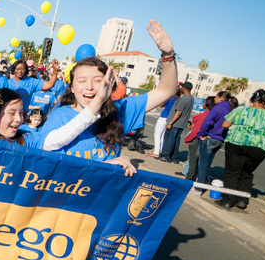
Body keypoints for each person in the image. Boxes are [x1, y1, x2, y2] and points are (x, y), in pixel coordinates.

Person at [27, 20, 179, 176]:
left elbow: (166, 90)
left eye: (97, 80)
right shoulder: (60, 116)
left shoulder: (120, 110)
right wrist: (103, 166)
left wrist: (168, 55)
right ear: (72, 88)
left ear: (109, 84)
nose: (90, 86)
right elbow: (46, 161)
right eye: (82, 81)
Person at [216, 89, 265, 210]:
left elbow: (225, 125)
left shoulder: (240, 109)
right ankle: (242, 200)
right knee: (247, 173)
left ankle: (227, 200)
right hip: (259, 147)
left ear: (252, 99)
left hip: (236, 142)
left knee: (232, 172)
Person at [192, 91, 234, 193]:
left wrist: (202, 134)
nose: (214, 99)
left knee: (203, 164)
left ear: (221, 98)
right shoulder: (230, 109)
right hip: (220, 139)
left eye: (216, 97)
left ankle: (198, 188)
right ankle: (205, 182)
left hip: (210, 137)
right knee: (208, 163)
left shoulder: (218, 108)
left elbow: (208, 121)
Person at [183, 96, 215, 186]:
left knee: (193, 161)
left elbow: (197, 130)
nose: (203, 103)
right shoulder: (212, 114)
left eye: (204, 102)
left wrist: (188, 138)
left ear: (208, 103)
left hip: (196, 139)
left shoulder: (206, 114)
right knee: (201, 162)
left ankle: (188, 180)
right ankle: (198, 179)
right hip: (205, 140)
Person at [159, 82, 194, 164]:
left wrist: (170, 123)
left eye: (181, 87)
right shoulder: (191, 99)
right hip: (181, 123)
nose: (180, 89)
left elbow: (178, 112)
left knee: (169, 140)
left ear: (184, 88)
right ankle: (174, 157)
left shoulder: (183, 99)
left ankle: (166, 156)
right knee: (176, 141)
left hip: (175, 123)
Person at [147, 93, 178, 158]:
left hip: (163, 117)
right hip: (170, 118)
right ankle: (160, 151)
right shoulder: (178, 99)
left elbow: (161, 105)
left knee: (157, 135)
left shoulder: (169, 97)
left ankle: (156, 152)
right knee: (163, 135)